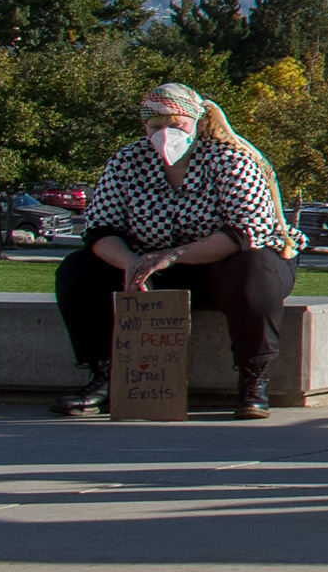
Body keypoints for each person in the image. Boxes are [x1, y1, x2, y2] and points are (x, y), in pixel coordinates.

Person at [54, 81, 304, 420]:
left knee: (253, 267)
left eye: (177, 125)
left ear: (197, 123)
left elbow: (246, 232)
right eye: (156, 126)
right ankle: (107, 378)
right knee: (78, 269)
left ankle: (253, 381)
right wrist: (131, 264)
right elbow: (100, 228)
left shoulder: (232, 159)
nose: (166, 133)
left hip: (225, 264)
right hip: (152, 266)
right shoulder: (126, 162)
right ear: (144, 126)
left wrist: (173, 255)